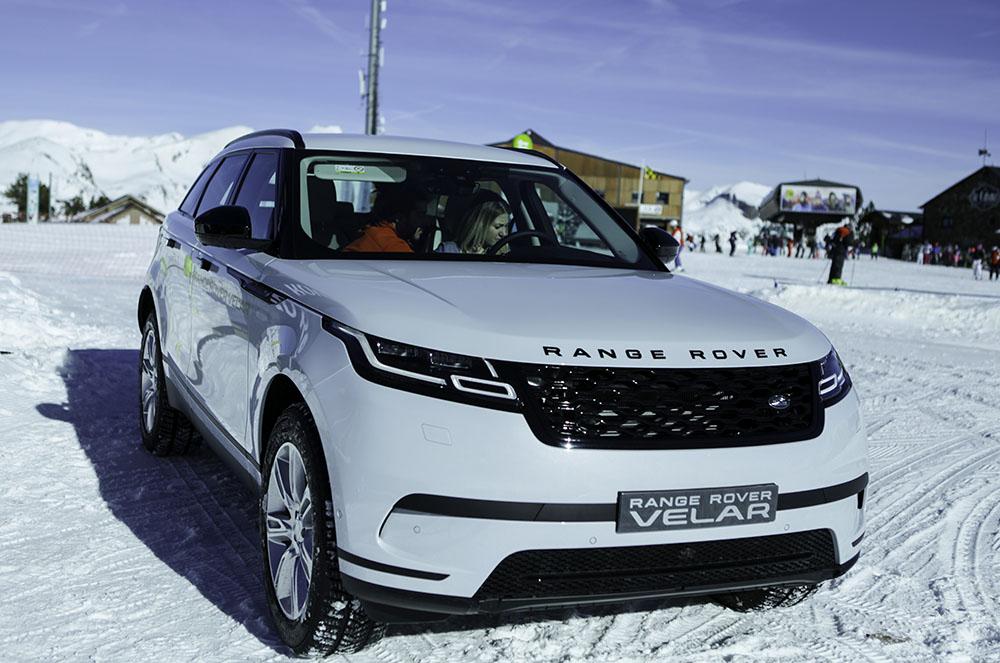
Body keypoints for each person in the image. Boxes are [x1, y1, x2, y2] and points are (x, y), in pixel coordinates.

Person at [341, 184, 431, 253]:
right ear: (398, 217)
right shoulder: (391, 244)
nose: (425, 221)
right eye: (420, 215)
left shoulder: (374, 232)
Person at [436, 198, 511, 254]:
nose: (504, 233)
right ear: (480, 225)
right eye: (497, 227)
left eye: (506, 226)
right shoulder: (448, 250)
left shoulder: (505, 257)